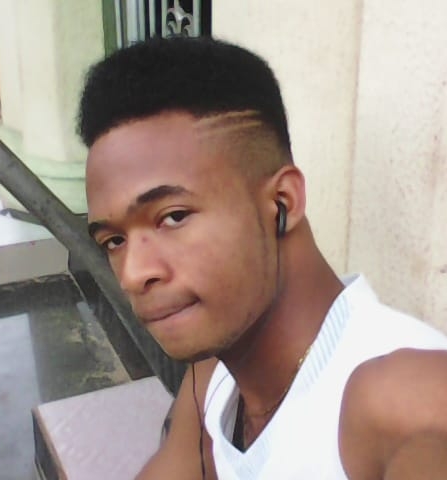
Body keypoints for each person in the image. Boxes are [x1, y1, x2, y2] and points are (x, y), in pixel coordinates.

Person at [79, 36, 447, 479]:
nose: (134, 274)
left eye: (174, 217)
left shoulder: (397, 396)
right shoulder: (213, 384)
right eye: (114, 241)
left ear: (282, 203)